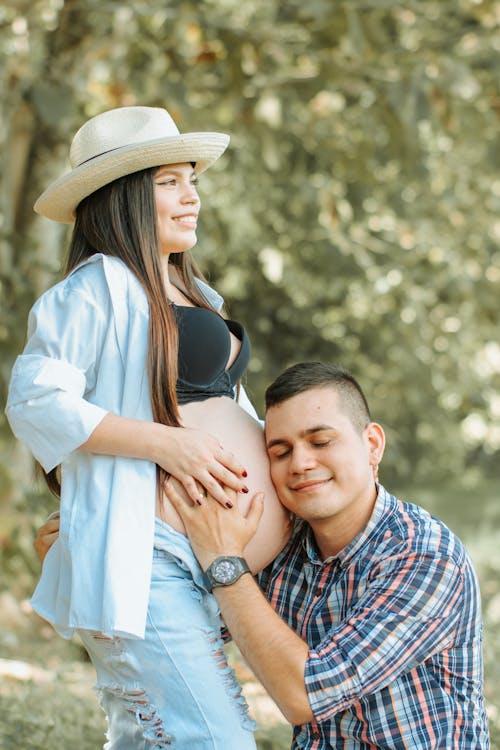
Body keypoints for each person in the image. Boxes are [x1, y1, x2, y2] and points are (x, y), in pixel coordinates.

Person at [6, 104, 291, 750]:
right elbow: (36, 399)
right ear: (124, 196)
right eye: (169, 181)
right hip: (150, 557)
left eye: (192, 179)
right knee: (212, 740)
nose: (192, 196)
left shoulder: (192, 291)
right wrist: (171, 446)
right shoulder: (97, 286)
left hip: (201, 559)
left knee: (154, 737)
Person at [160, 361, 490, 749]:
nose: (300, 463)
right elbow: (198, 625)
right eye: (280, 451)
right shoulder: (281, 542)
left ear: (372, 445)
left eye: (320, 442)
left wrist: (224, 562)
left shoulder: (426, 556)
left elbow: (304, 695)